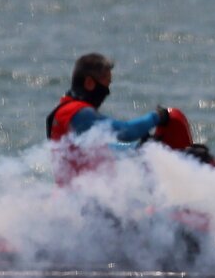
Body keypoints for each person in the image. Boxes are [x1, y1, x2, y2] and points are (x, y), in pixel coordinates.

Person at [45, 52, 173, 186]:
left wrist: (138, 147)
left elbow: (102, 149)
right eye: (106, 84)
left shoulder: (67, 110)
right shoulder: (79, 113)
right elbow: (126, 132)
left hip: (83, 196)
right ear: (89, 83)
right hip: (82, 202)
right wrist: (158, 116)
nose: (107, 91)